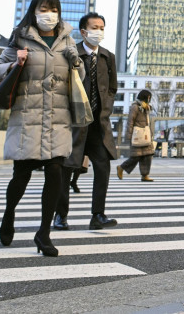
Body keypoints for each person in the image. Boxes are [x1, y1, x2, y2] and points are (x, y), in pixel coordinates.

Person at [0, 0, 85, 257]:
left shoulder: (68, 40)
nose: (49, 14)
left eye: (54, 9)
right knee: (21, 176)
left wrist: (76, 63)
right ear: (34, 11)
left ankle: (44, 233)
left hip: (58, 119)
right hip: (28, 118)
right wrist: (14, 64)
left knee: (56, 173)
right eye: (44, 8)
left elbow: (79, 76)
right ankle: (9, 215)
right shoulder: (20, 37)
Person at [54, 12, 118, 231]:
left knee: (103, 167)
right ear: (83, 31)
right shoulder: (72, 54)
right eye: (94, 27)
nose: (98, 31)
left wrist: (106, 108)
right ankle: (60, 215)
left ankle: (98, 215)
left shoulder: (108, 57)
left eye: (102, 27)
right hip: (75, 122)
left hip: (99, 124)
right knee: (66, 168)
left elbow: (112, 88)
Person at [118, 89, 155, 181]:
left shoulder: (146, 107)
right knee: (136, 156)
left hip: (146, 135)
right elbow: (130, 121)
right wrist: (128, 135)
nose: (149, 99)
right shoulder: (135, 107)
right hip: (137, 136)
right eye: (148, 97)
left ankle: (145, 175)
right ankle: (121, 167)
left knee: (148, 155)